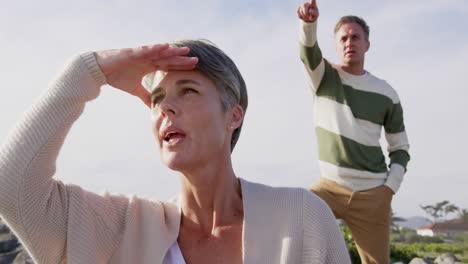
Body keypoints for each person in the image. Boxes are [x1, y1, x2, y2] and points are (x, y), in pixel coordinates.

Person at [0, 39, 351, 263]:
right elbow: (12, 186)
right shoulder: (122, 228)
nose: (165, 108)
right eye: (157, 99)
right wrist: (88, 71)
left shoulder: (302, 217)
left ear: (234, 114)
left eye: (188, 91)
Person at [297, 1, 410, 263]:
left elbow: (401, 148)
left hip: (373, 194)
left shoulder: (386, 93)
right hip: (329, 189)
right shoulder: (323, 76)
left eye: (356, 37)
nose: (350, 42)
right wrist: (308, 23)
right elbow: (307, 51)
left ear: (367, 44)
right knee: (291, 228)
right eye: (344, 38)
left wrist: (389, 190)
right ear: (336, 45)